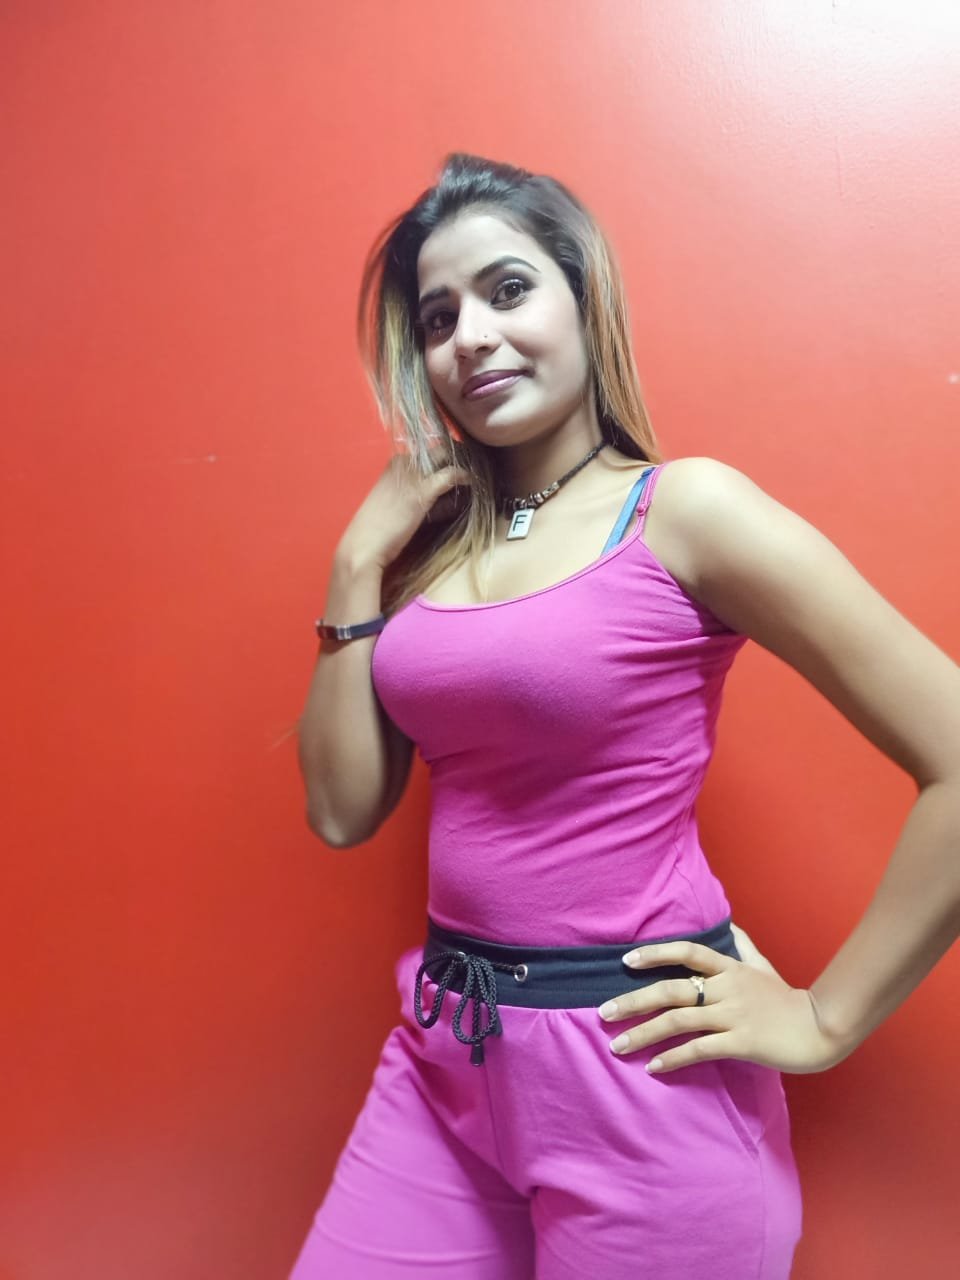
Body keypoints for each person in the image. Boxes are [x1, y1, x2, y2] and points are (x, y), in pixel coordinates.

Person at [290, 152, 960, 1280]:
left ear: (582, 295)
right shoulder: (429, 551)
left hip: (640, 1077)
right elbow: (341, 811)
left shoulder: (684, 510)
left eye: (508, 290)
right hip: (448, 1053)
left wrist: (824, 1019)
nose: (471, 338)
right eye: (440, 318)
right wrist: (357, 560)